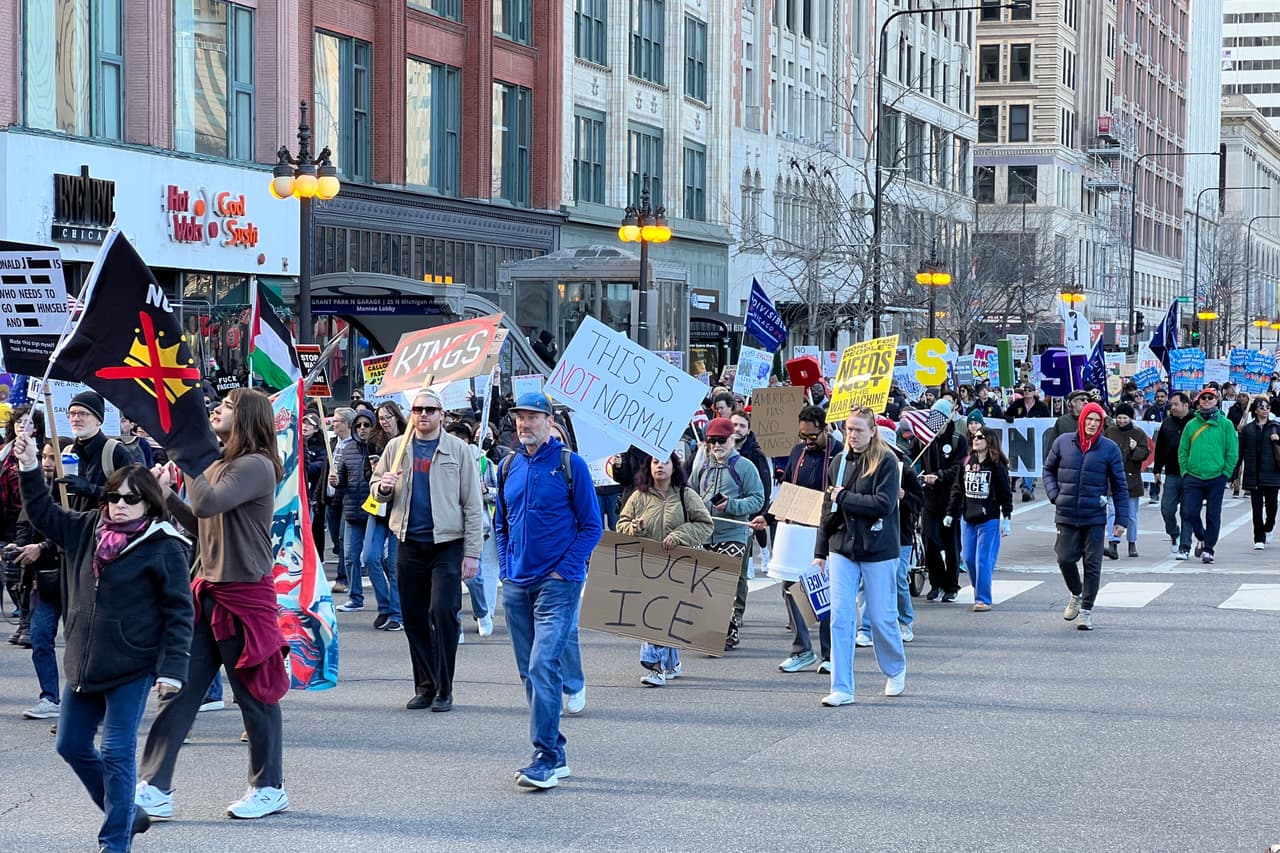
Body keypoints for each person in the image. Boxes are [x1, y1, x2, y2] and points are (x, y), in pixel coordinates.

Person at [15, 420, 193, 853]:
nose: (119, 505)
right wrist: (29, 466)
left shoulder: (164, 544)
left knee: (115, 751)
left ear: (148, 503)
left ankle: (115, 841)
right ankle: (127, 813)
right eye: (113, 497)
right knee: (71, 745)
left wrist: (172, 669)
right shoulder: (87, 528)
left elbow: (179, 611)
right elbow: (43, 513)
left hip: (132, 664)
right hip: (83, 662)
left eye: (131, 499)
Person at [136, 388, 290, 821]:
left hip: (244, 594)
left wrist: (189, 460)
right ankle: (155, 786)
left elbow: (207, 503)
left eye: (227, 406)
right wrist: (167, 495)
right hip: (208, 590)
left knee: (254, 695)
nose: (216, 409)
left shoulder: (257, 464)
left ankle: (269, 787)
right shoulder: (220, 463)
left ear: (248, 418)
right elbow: (200, 521)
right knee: (178, 689)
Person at [493, 392, 602, 790]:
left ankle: (546, 757)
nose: (525, 424)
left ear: (549, 422)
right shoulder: (508, 466)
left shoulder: (570, 465)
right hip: (517, 585)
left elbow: (592, 526)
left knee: (543, 664)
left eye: (533, 417)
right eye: (520, 417)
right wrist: (507, 570)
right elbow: (501, 524)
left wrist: (564, 571)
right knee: (530, 671)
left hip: (557, 585)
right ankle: (555, 751)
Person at [372, 390, 484, 712]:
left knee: (443, 612)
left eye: (430, 409)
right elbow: (376, 491)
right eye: (418, 409)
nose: (423, 414)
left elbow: (472, 504)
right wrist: (383, 487)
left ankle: (444, 688)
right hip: (408, 541)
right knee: (413, 617)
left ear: (441, 414)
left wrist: (472, 553)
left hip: (446, 544)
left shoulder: (458, 450)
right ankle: (425, 685)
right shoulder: (397, 447)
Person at [813, 408, 907, 705]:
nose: (852, 435)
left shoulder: (886, 461)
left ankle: (895, 669)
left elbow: (883, 504)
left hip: (878, 548)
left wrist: (845, 497)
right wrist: (820, 551)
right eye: (848, 429)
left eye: (858, 430)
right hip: (842, 546)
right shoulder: (838, 462)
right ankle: (842, 687)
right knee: (840, 617)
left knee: (881, 617)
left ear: (872, 431)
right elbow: (827, 509)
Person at [751, 405, 837, 672]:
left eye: (812, 436)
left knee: (824, 593)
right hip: (795, 531)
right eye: (802, 436)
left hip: (825, 531)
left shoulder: (839, 454)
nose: (807, 441)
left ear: (825, 429)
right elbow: (787, 491)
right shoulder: (798, 452)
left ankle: (830, 654)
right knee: (790, 587)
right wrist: (768, 517)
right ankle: (802, 650)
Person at [616, 452, 714, 686]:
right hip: (646, 566)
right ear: (648, 467)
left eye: (665, 462)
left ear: (674, 467)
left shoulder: (685, 495)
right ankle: (667, 664)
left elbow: (705, 524)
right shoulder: (638, 496)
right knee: (654, 613)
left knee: (664, 614)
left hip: (677, 566)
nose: (660, 466)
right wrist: (635, 528)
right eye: (655, 462)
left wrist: (679, 536)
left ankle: (656, 667)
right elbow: (621, 526)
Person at [1043, 402, 1129, 632]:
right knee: (1065, 558)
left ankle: (1086, 610)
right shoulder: (1063, 442)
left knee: (1092, 564)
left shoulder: (1109, 448)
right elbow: (1048, 469)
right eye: (1089, 419)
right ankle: (1076, 592)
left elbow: (1120, 485)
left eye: (1097, 421)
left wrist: (1122, 519)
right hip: (1066, 513)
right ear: (1082, 420)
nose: (1092, 424)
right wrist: (1054, 495)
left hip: (1094, 516)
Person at [694, 417, 765, 650]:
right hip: (705, 533)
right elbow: (690, 493)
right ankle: (722, 631)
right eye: (712, 441)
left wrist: (732, 505)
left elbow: (758, 499)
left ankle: (724, 633)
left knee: (725, 583)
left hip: (734, 532)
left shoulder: (745, 467)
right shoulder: (702, 467)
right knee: (708, 585)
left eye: (721, 440)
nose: (716, 445)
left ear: (732, 439)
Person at [17, 438, 69, 721]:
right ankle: (50, 697)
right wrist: (18, 547)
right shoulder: (36, 489)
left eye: (53, 457)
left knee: (79, 643)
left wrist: (43, 547)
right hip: (44, 580)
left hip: (73, 578)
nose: (48, 462)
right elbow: (24, 524)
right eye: (44, 457)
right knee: (39, 638)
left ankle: (82, 701)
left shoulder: (72, 489)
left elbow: (72, 528)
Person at [946, 427, 1013, 611]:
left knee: (982, 559)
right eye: (974, 437)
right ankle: (979, 589)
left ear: (989, 440)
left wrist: (1007, 518)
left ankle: (983, 599)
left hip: (989, 518)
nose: (975, 440)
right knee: (968, 558)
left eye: (980, 437)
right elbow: (958, 489)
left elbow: (1005, 493)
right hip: (968, 517)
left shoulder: (997, 465)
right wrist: (950, 513)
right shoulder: (966, 462)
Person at [1178, 387, 1239, 564]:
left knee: (1213, 514)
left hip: (1216, 476)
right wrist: (1185, 472)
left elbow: (1232, 451)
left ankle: (1209, 549)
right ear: (1198, 401)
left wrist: (1226, 473)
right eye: (1203, 398)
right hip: (1193, 476)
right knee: (1189, 512)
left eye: (1210, 398)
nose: (1206, 400)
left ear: (1216, 400)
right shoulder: (1191, 425)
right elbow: (1183, 451)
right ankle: (1202, 537)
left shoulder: (1226, 424)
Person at [362, 401, 406, 631]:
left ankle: (398, 613)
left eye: (388, 416)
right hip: (379, 508)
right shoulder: (374, 441)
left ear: (397, 416)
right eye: (381, 417)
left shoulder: (409, 440)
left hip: (400, 508)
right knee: (369, 557)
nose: (385, 421)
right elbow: (366, 474)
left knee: (395, 564)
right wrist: (374, 473)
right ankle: (384, 606)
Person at [917, 400, 967, 602]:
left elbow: (958, 468)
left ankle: (951, 586)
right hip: (929, 499)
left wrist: (939, 476)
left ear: (947, 418)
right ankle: (936, 583)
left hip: (951, 499)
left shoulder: (958, 440)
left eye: (940, 418)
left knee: (951, 543)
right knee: (929, 541)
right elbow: (915, 460)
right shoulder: (925, 440)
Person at [56, 391, 136, 512]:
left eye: (83, 414)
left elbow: (131, 494)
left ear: (99, 420)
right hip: (71, 522)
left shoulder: (116, 452)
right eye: (72, 413)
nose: (76, 419)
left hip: (105, 522)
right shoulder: (66, 453)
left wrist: (91, 489)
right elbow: (54, 497)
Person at [332, 410, 375, 614]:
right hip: (352, 510)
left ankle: (392, 603)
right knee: (350, 556)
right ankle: (355, 597)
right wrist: (337, 481)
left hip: (375, 512)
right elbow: (342, 479)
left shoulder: (380, 447)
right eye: (359, 425)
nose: (362, 429)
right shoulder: (348, 449)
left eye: (367, 425)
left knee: (376, 559)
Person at [1103, 403, 1150, 559]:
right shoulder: (1110, 432)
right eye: (1119, 417)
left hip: (1131, 479)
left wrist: (1135, 449)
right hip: (1113, 479)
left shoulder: (1138, 433)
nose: (1122, 421)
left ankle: (1132, 542)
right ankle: (1113, 542)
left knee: (1131, 515)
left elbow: (1145, 454)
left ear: (1131, 418)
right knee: (1113, 512)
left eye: (1125, 418)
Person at [1153, 392, 1192, 557]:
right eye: (1172, 404)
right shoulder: (1167, 423)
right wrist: (1157, 469)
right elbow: (1160, 447)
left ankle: (1185, 546)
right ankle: (1174, 533)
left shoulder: (1195, 422)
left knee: (1187, 512)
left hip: (1191, 474)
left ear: (1186, 405)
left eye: (1176, 404)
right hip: (1172, 473)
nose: (1172, 407)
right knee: (1167, 509)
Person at [1238, 396, 1280, 550]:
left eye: (1267, 407)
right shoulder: (1248, 429)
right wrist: (1234, 474)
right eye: (1262, 407)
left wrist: (1278, 439)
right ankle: (1259, 537)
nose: (1265, 410)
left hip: (1272, 472)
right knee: (1256, 508)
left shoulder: (1275, 427)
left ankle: (1269, 526)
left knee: (1272, 505)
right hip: (1253, 473)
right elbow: (1240, 452)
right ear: (1255, 410)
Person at [326, 407, 356, 592]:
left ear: (346, 423)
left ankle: (343, 578)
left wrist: (341, 481)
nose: (333, 423)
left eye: (336, 421)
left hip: (347, 498)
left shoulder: (356, 445)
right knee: (336, 540)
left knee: (345, 539)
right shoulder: (331, 442)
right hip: (331, 498)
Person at [1004, 385, 1050, 500]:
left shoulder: (1041, 406)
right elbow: (1006, 414)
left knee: (1030, 463)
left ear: (1034, 392)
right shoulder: (1017, 404)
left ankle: (1027, 488)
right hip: (1019, 438)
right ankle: (1027, 487)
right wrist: (1009, 419)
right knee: (1023, 463)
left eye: (1029, 390)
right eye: (1025, 390)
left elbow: (1048, 420)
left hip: (1035, 439)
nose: (1027, 392)